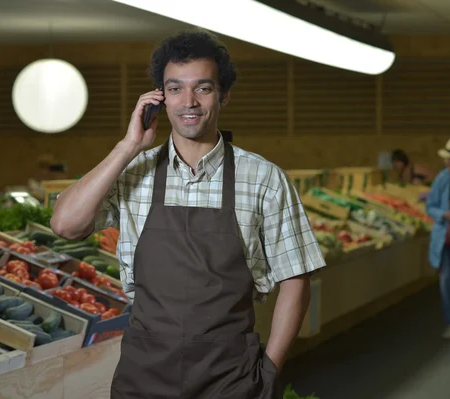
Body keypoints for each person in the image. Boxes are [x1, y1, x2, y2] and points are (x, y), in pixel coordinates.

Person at [50, 30, 326, 399]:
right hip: (144, 376)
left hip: (231, 378)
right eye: (175, 89)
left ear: (224, 94)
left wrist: (269, 370)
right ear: (159, 98)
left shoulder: (264, 179)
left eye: (204, 88)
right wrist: (128, 146)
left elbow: (296, 280)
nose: (188, 101)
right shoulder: (133, 172)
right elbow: (65, 225)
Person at [426, 138, 450, 339]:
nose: (447, 163)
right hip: (446, 237)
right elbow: (430, 206)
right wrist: (444, 214)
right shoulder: (442, 178)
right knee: (446, 280)